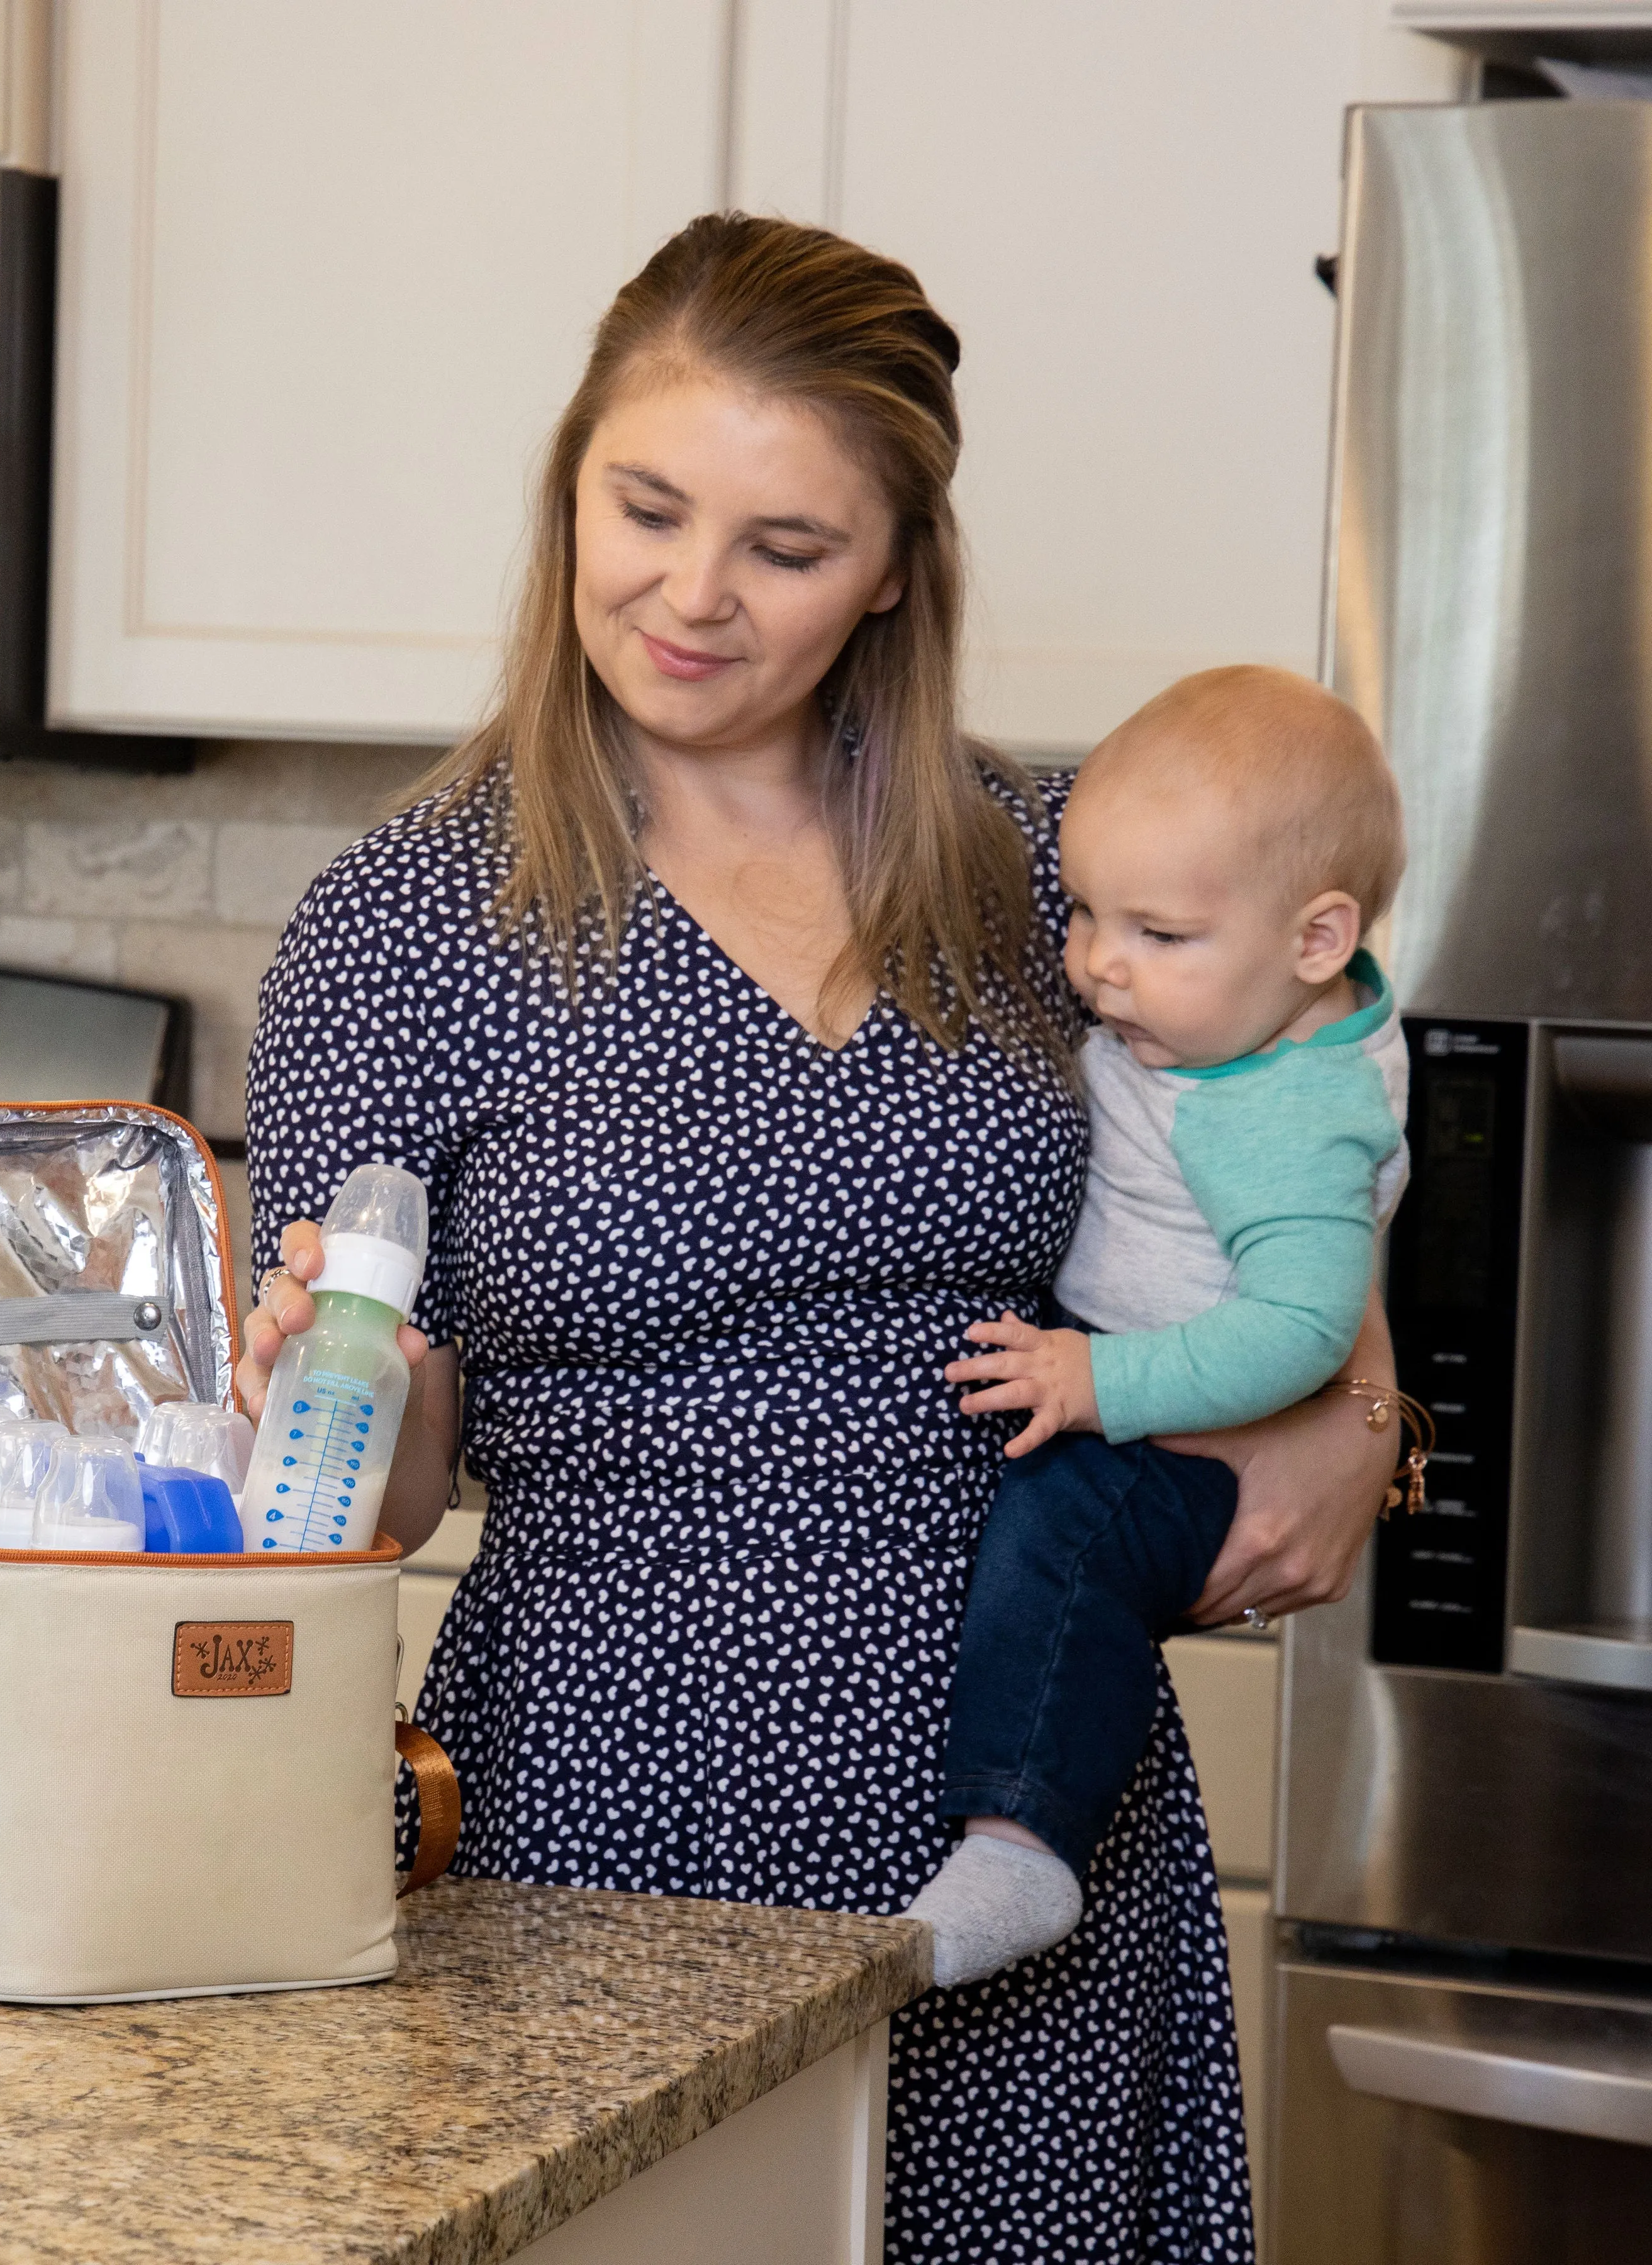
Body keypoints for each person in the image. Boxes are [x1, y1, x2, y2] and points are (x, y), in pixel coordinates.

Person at [239, 213, 1399, 2262]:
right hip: (595, 1814)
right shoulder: (403, 925)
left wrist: (1357, 1408)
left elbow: (1297, 1122)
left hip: (1024, 1801)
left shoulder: (1057, 868)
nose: (691, 596)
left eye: (785, 546)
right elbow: (372, 1497)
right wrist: (346, 1416)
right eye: (647, 508)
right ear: (568, 487)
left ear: (893, 571)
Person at [916, 666, 1409, 1988]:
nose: (1096, 963)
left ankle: (1024, 1839)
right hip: (1152, 1389)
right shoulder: (1238, 1006)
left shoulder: (1279, 1115)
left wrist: (1096, 1382)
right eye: (1082, 914)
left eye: (1155, 936)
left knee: (1064, 1548)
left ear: (1315, 944)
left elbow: (1305, 1329)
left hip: (1182, 1436)